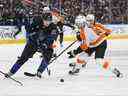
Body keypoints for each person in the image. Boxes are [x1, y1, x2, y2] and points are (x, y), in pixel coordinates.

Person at [5, 8, 59, 78]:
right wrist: (34, 36)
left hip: (44, 44)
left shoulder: (53, 27)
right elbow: (29, 31)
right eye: (46, 21)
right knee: (23, 58)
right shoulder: (37, 21)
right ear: (42, 19)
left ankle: (39, 72)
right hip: (33, 43)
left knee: (49, 54)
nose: (47, 23)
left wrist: (45, 44)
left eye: (49, 21)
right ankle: (11, 72)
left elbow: (52, 37)